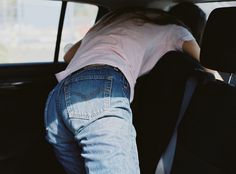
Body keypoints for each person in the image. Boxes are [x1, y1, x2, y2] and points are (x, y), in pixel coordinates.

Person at [44, 7, 219, 174]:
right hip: (99, 92)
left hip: (57, 98)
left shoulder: (109, 21)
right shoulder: (176, 30)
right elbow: (208, 63)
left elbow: (68, 56)